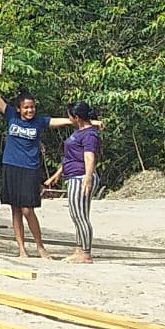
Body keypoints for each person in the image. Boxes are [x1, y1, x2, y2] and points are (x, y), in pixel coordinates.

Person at [0, 73, 84, 259]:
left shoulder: (39, 121)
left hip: (30, 168)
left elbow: (65, 121)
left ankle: (40, 246)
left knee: (28, 209)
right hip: (11, 166)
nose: (29, 110)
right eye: (26, 107)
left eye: (32, 107)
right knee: (15, 208)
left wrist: (92, 123)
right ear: (18, 109)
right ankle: (21, 249)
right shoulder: (11, 116)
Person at [44, 101, 102, 264]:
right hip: (73, 175)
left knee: (80, 215)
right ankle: (79, 249)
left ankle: (86, 253)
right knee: (76, 215)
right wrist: (58, 174)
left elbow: (89, 156)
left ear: (76, 117)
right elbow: (72, 156)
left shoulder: (89, 134)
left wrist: (88, 178)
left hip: (80, 176)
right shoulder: (80, 131)